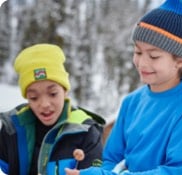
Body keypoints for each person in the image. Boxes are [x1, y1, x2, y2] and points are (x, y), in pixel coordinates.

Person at [65, 0, 182, 175]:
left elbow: (175, 170)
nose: (142, 63)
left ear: (180, 60)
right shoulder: (131, 102)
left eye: (154, 56)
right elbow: (111, 159)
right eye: (138, 52)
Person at [0, 44, 105, 175]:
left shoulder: (86, 131)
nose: (44, 104)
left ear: (65, 90)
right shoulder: (12, 128)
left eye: (53, 94)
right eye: (34, 97)